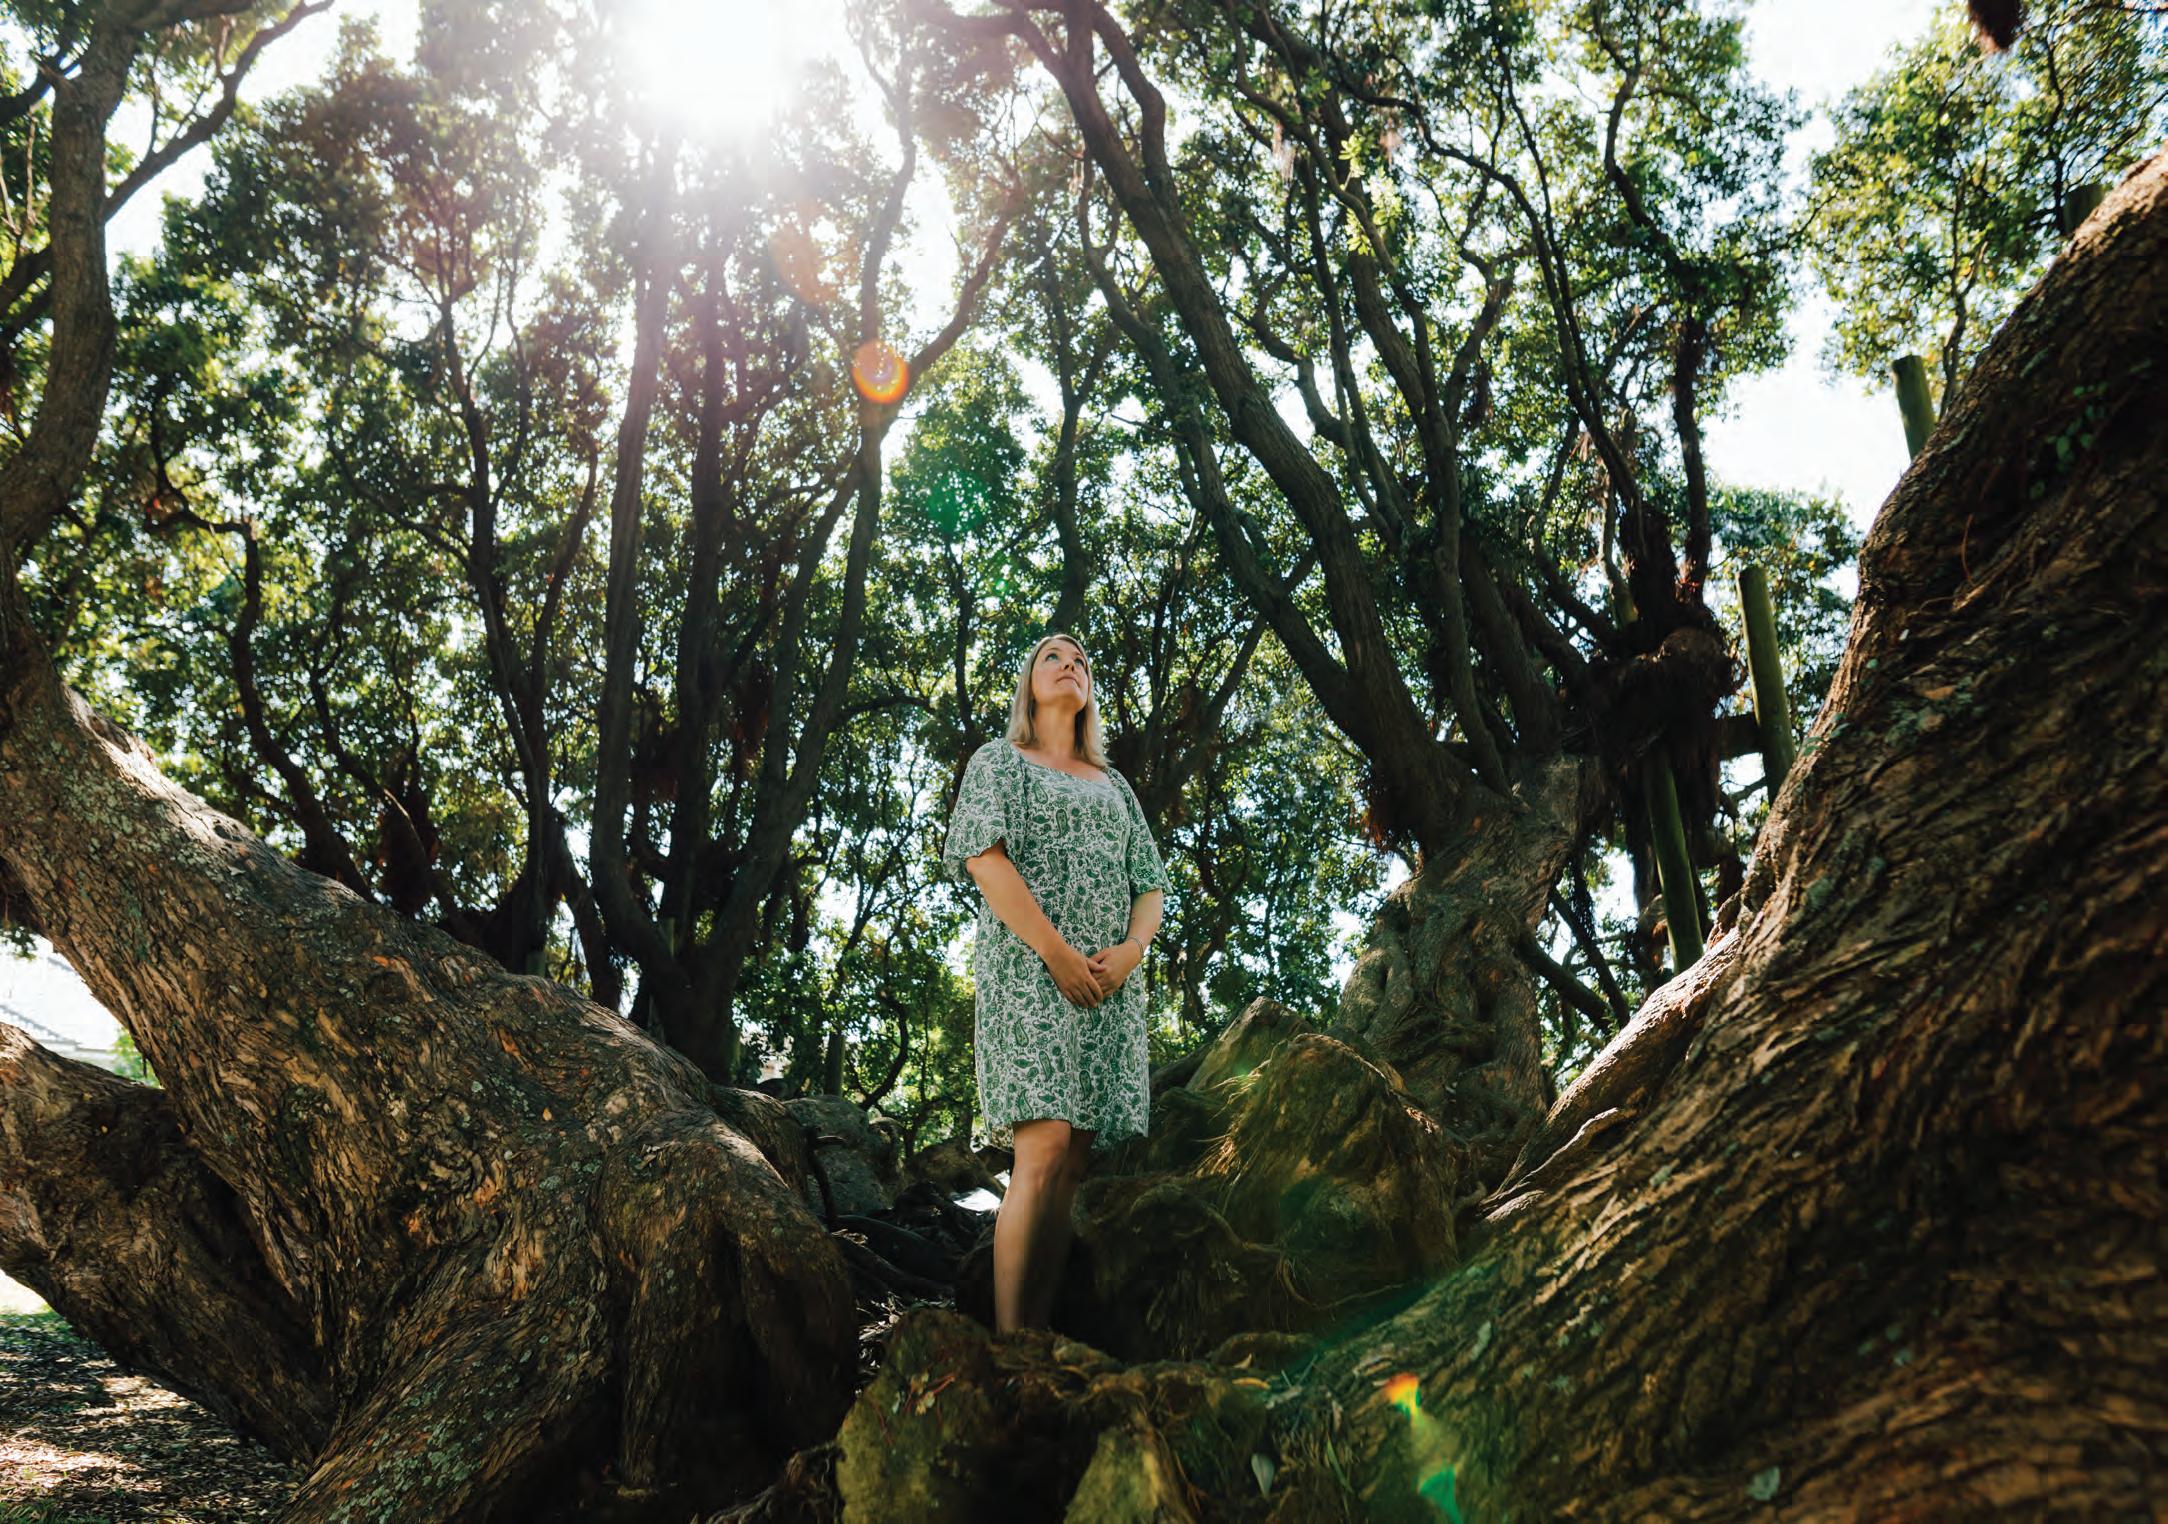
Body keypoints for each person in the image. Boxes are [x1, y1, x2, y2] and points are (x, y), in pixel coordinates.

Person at [937, 631, 1171, 1333]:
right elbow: (983, 858)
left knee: (1073, 1162)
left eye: (1081, 662)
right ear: (1028, 685)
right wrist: (1056, 953)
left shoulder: (1116, 785)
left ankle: (1037, 1336)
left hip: (1107, 987)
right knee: (1041, 1147)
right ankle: (1008, 1345)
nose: (1070, 666)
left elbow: (1150, 884)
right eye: (1053, 658)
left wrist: (1131, 951)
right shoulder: (999, 761)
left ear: (1089, 691)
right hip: (1029, 974)